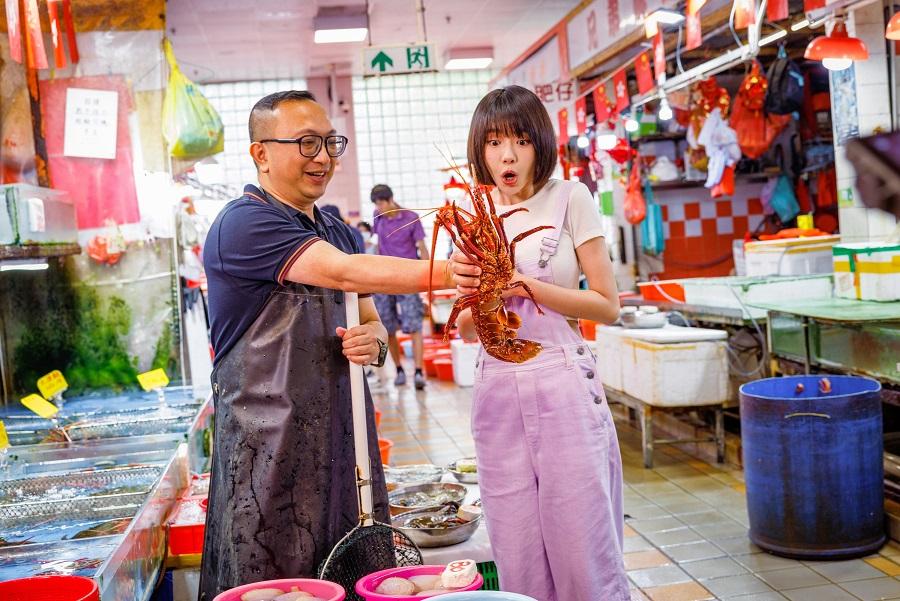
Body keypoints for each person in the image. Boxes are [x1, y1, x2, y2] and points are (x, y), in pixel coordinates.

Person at [198, 90, 452, 600]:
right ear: (261, 153)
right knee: (272, 585)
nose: (323, 157)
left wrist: (373, 345)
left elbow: (372, 322)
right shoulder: (243, 223)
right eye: (306, 143)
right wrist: (454, 273)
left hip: (345, 446)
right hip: (266, 458)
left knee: (356, 579)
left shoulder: (336, 227)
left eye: (330, 142)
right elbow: (342, 270)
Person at [449, 85, 628, 601]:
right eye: (494, 142)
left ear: (540, 145)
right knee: (515, 541)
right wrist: (475, 293)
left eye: (522, 141)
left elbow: (606, 304)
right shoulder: (471, 207)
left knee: (582, 541)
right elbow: (463, 331)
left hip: (562, 381)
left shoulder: (570, 196)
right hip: (497, 390)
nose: (507, 155)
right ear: (479, 150)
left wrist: (523, 285)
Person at [370, 184, 429, 390]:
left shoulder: (411, 218)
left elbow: (422, 247)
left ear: (390, 200)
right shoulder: (378, 218)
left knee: (414, 326)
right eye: (376, 204)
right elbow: (378, 246)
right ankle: (399, 370)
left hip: (410, 278)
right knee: (388, 327)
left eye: (380, 203)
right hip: (385, 280)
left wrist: (428, 277)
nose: (378, 208)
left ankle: (419, 372)